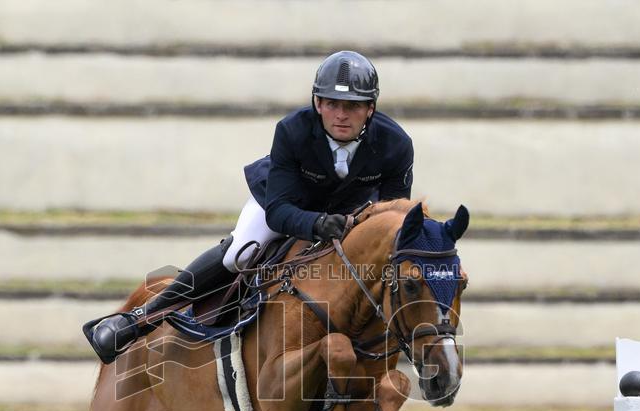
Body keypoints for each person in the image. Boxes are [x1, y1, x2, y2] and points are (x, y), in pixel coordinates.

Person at [84, 50, 415, 364]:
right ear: (317, 102)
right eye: (332, 104)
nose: (341, 114)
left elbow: (393, 217)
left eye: (353, 106)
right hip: (286, 201)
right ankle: (142, 318)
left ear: (371, 108)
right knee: (239, 253)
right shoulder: (292, 131)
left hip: (350, 213)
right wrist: (316, 225)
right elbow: (279, 211)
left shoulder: (396, 144)